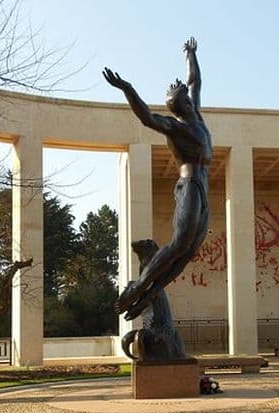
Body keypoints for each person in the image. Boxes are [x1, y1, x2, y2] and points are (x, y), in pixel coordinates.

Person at [103, 37, 212, 321]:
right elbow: (147, 118)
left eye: (183, 101)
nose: (185, 104)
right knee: (180, 243)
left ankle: (150, 294)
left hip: (202, 189)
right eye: (180, 104)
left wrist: (190, 53)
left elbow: (194, 81)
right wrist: (128, 89)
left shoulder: (197, 117)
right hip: (189, 186)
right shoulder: (174, 127)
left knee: (188, 251)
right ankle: (138, 287)